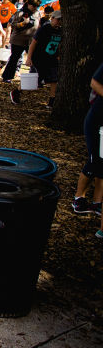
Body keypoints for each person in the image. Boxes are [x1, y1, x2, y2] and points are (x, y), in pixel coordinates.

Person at [72, 62, 103, 232]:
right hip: (96, 120)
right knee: (94, 160)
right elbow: (94, 83)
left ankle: (97, 202)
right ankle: (79, 198)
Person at [28, 9, 63, 109]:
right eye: (58, 19)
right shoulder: (44, 29)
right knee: (35, 80)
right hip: (39, 58)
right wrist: (29, 58)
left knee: (54, 79)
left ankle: (52, 101)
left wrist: (59, 55)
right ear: (52, 18)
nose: (59, 22)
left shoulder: (61, 31)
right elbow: (33, 43)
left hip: (52, 59)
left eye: (61, 20)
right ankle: (18, 91)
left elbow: (59, 45)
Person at [2, 5, 36, 104]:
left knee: (33, 59)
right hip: (18, 40)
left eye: (36, 6)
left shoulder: (37, 13)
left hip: (30, 40)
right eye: (34, 6)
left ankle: (33, 79)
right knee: (14, 58)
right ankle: (7, 76)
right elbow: (13, 24)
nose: (35, 8)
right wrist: (23, 23)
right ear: (29, 4)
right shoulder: (20, 13)